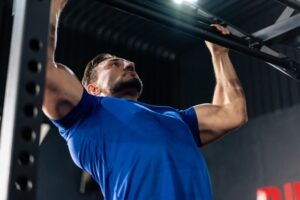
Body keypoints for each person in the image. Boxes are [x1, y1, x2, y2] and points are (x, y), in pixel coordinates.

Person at [43, 0, 248, 199]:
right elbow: (43, 70)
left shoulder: (176, 119)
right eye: (114, 64)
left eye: (126, 61)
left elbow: (233, 112)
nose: (129, 63)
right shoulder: (87, 117)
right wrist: (55, 4)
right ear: (93, 89)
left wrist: (219, 54)